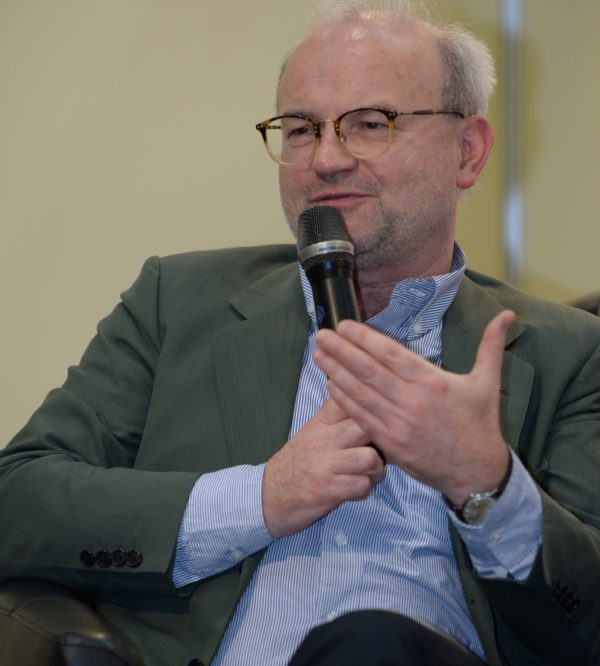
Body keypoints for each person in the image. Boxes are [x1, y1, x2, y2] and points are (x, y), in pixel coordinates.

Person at [1, 1, 600, 664]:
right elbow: (18, 500)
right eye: (300, 129)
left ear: (468, 151)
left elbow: (589, 618)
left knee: (369, 644)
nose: (327, 158)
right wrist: (262, 496)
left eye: (371, 123)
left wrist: (485, 481)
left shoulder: (571, 352)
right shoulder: (177, 303)